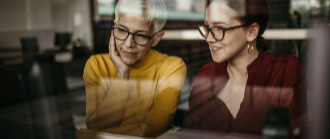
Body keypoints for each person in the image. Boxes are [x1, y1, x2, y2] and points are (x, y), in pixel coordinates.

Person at [186, 0, 307, 137]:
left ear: (251, 32)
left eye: (219, 28)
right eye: (207, 28)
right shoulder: (206, 74)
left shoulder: (285, 71)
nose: (208, 38)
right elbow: (191, 133)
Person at [81, 0, 187, 137]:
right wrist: (122, 74)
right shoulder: (96, 64)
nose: (128, 43)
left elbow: (153, 128)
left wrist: (92, 135)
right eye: (122, 30)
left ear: (156, 38)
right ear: (114, 27)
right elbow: (95, 125)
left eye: (141, 35)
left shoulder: (172, 67)